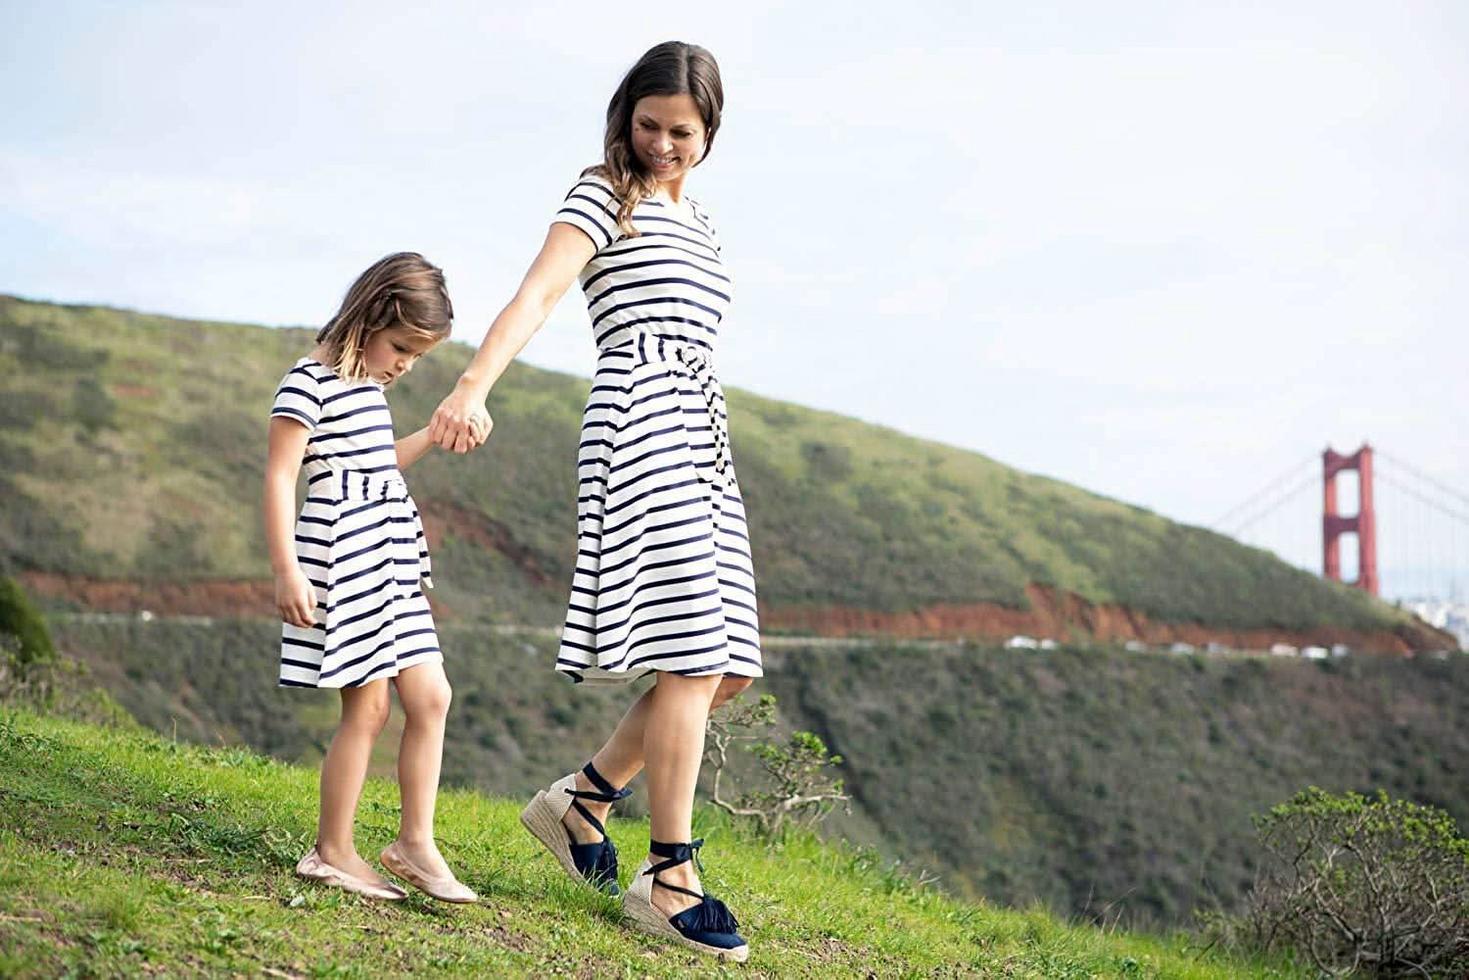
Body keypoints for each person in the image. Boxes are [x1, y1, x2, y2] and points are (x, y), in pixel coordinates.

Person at [429, 41, 757, 960]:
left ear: (710, 132)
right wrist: (473, 385)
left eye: (680, 132)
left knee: (725, 666)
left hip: (700, 428)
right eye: (647, 125)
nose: (660, 144)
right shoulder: (600, 194)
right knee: (692, 656)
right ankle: (670, 873)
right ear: (624, 118)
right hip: (638, 419)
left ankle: (580, 800)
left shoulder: (704, 225)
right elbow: (535, 296)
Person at [264, 252, 483, 903]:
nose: (404, 364)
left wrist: (433, 433)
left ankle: (413, 844)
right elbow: (281, 476)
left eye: (418, 357)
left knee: (431, 696)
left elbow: (377, 465)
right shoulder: (307, 383)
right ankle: (331, 851)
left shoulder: (368, 391)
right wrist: (288, 570)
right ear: (372, 315)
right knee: (369, 706)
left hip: (391, 558)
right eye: (401, 347)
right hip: (343, 558)